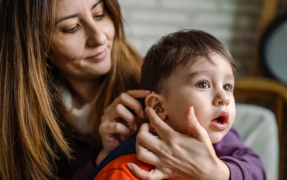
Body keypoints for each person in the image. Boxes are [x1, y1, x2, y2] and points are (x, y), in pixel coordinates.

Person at [0, 0, 265, 180]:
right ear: (36, 44)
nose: (99, 36)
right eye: (71, 28)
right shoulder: (25, 125)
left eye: (99, 14)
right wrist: (104, 158)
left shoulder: (162, 80)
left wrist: (218, 172)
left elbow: (251, 164)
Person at [88, 30, 266, 180]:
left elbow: (257, 169)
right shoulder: (126, 171)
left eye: (228, 87)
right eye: (203, 84)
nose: (224, 97)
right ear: (158, 106)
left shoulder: (220, 143)